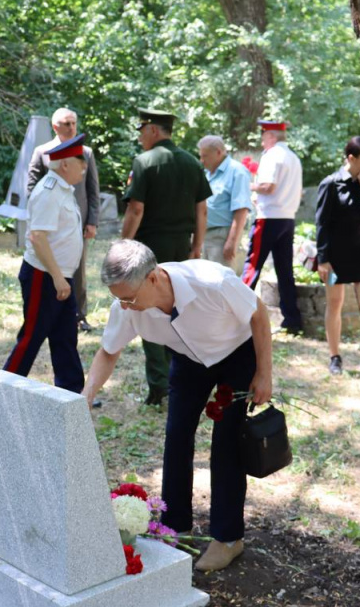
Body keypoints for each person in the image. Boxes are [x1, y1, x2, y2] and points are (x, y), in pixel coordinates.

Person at [83, 240, 272, 572]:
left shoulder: (212, 282)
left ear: (153, 278)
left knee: (226, 443)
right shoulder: (127, 306)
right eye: (118, 298)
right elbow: (108, 352)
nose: (124, 306)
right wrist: (86, 394)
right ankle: (175, 527)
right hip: (188, 359)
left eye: (129, 297)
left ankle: (228, 539)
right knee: (177, 435)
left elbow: (259, 313)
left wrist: (263, 373)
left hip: (237, 354)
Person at [122, 108, 209, 406]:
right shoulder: (192, 163)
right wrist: (197, 245)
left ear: (154, 131)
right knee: (178, 308)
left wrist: (124, 245)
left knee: (148, 308)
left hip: (151, 249)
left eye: (142, 129)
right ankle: (182, 375)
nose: (139, 135)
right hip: (181, 248)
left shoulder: (144, 162)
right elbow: (202, 209)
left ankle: (159, 385)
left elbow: (136, 209)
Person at [3, 134, 88, 392]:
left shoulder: (62, 188)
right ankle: (5, 386)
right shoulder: (49, 191)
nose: (84, 167)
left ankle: (71, 392)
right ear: (64, 165)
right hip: (45, 276)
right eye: (79, 162)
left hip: (60, 276)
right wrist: (58, 278)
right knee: (32, 336)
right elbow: (37, 237)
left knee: (65, 337)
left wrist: (63, 277)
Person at [314, 136, 360, 378]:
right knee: (335, 302)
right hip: (333, 258)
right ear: (351, 158)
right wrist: (323, 259)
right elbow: (321, 223)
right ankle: (335, 357)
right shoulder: (330, 184)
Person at [27, 108, 100, 331]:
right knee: (51, 266)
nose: (71, 127)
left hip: (78, 220)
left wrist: (92, 221)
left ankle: (79, 313)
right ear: (55, 126)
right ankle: (53, 311)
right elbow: (31, 184)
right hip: (52, 221)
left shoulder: (85, 152)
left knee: (77, 268)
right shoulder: (43, 151)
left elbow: (92, 188)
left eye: (73, 123)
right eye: (66, 124)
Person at [240, 120, 304, 334]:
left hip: (268, 217)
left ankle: (236, 311)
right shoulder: (293, 158)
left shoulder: (272, 155)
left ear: (271, 136)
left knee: (252, 266)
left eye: (264, 136)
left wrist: (247, 184)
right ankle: (292, 319)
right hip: (287, 218)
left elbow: (268, 186)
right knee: (285, 271)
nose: (262, 140)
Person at [197, 135, 252, 275]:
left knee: (221, 283)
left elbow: (241, 210)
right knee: (206, 282)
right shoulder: (208, 173)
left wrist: (232, 242)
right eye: (201, 156)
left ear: (219, 152)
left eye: (205, 156)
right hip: (205, 235)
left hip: (222, 236)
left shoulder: (237, 172)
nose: (202, 161)